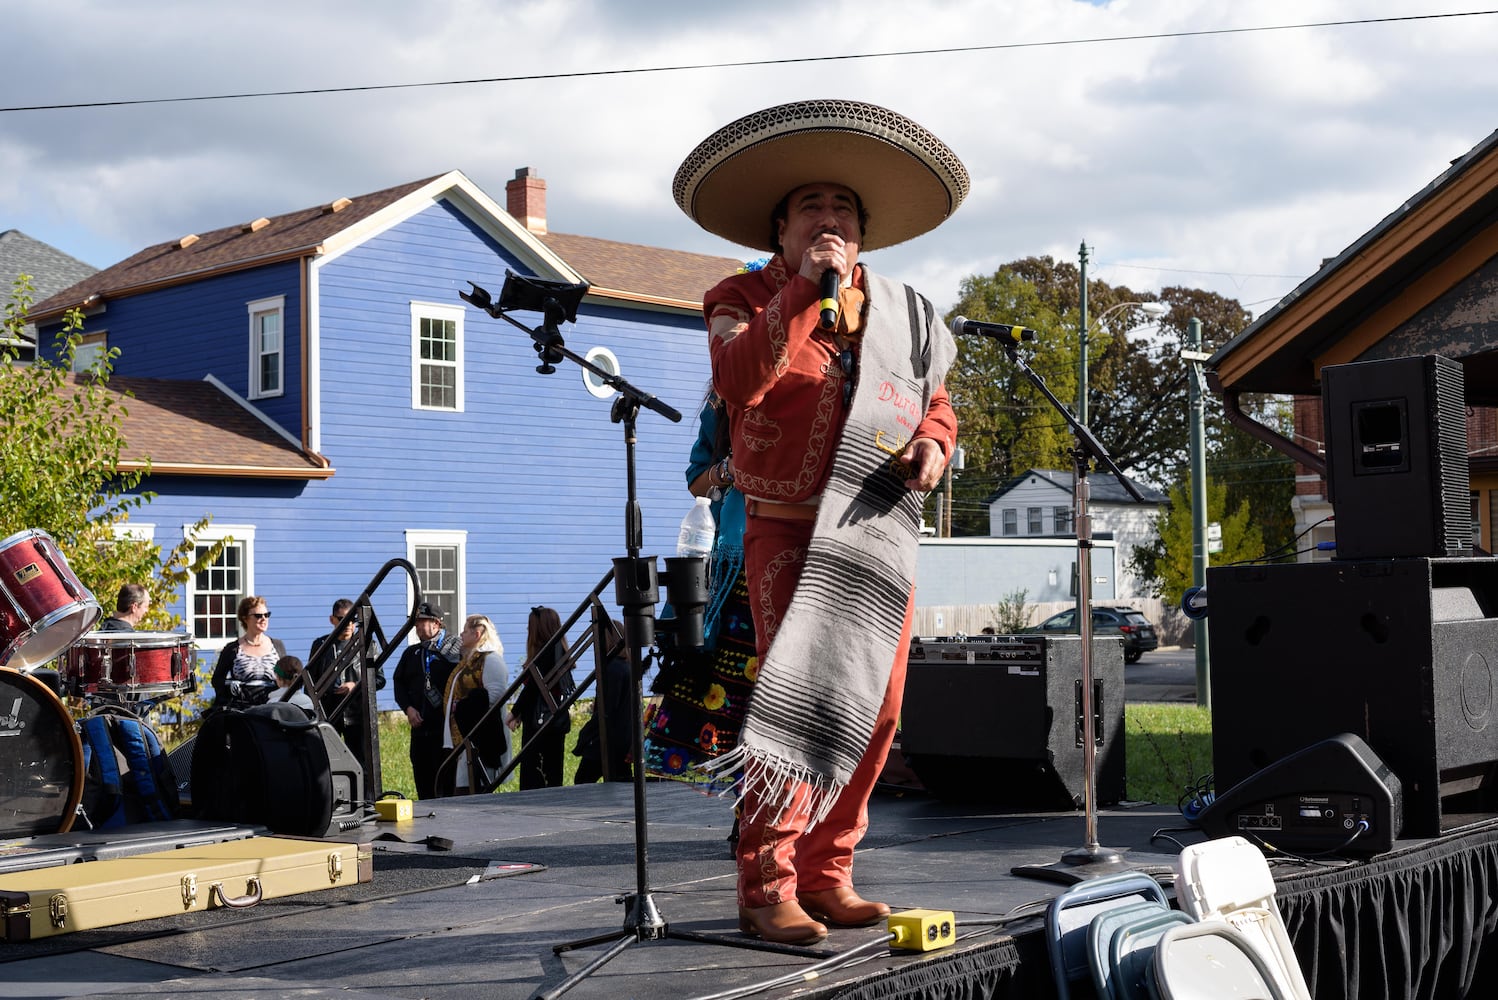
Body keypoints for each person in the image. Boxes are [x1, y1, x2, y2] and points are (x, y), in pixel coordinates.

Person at [673, 99, 966, 945]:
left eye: (842, 210)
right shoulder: (740, 295)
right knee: (794, 705)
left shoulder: (907, 313)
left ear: (864, 233)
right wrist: (805, 290)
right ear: (781, 228)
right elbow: (737, 382)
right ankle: (765, 884)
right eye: (812, 209)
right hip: (785, 527)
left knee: (876, 708)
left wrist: (934, 447)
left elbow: (938, 405)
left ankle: (827, 871)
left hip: (875, 528)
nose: (829, 221)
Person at [643, 389, 757, 848]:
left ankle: (782, 823)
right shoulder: (724, 399)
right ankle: (747, 817)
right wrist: (731, 469)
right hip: (738, 566)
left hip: (801, 557)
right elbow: (696, 478)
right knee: (738, 702)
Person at [392, 601, 462, 800]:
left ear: (436, 624)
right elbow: (399, 683)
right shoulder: (411, 653)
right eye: (416, 622)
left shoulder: (454, 650)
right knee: (423, 780)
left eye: (421, 622)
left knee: (447, 780)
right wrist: (408, 709)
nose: (417, 627)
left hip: (445, 729)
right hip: (420, 729)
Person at [440, 614, 512, 795]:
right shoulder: (470, 660)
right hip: (468, 737)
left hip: (482, 738)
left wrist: (464, 707)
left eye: (465, 631)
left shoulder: (491, 659)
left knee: (470, 787)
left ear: (478, 634)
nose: (461, 635)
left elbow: (494, 697)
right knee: (464, 785)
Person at [308, 598, 384, 770]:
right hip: (328, 711)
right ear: (332, 619)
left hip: (357, 713)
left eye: (352, 619)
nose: (348, 624)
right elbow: (311, 680)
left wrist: (355, 685)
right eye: (342, 619)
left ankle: (364, 795)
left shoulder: (367, 644)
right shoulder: (321, 645)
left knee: (361, 763)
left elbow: (379, 679)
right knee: (326, 762)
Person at [507, 606, 574, 790]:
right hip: (549, 717)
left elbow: (533, 688)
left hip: (543, 721)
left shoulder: (547, 653)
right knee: (548, 773)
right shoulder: (557, 651)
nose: (528, 631)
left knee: (537, 773)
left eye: (531, 626)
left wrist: (514, 712)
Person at [573, 614, 633, 784]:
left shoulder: (611, 670)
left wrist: (586, 735)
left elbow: (607, 709)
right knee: (622, 782)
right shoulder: (627, 667)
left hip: (606, 742)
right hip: (623, 741)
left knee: (582, 782)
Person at [209, 596, 288, 707]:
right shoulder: (232, 649)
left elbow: (287, 676)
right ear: (245, 618)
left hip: (272, 707)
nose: (263, 619)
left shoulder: (277, 646)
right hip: (243, 709)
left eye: (266, 615)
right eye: (258, 616)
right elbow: (217, 680)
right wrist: (229, 684)